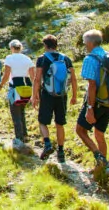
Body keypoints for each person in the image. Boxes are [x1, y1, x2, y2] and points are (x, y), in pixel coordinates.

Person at [32, 34, 77, 163]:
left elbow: (37, 79)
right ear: (56, 45)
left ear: (45, 45)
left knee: (42, 121)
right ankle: (61, 152)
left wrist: (34, 96)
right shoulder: (66, 59)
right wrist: (74, 95)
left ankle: (47, 144)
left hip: (47, 94)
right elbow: (73, 78)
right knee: (60, 124)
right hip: (62, 95)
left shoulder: (42, 59)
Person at [75, 29, 109, 170]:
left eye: (85, 42)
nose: (84, 45)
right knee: (99, 133)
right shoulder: (108, 56)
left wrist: (90, 108)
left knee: (80, 130)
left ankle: (99, 156)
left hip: (95, 101)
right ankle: (103, 167)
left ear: (90, 43)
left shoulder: (90, 59)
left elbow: (92, 85)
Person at [0, 39, 35, 148]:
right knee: (22, 111)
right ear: (21, 48)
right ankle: (25, 135)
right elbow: (32, 76)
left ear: (11, 48)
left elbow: (7, 74)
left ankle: (19, 138)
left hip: (15, 87)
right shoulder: (27, 58)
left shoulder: (9, 58)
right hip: (26, 87)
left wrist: (0, 85)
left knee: (15, 113)